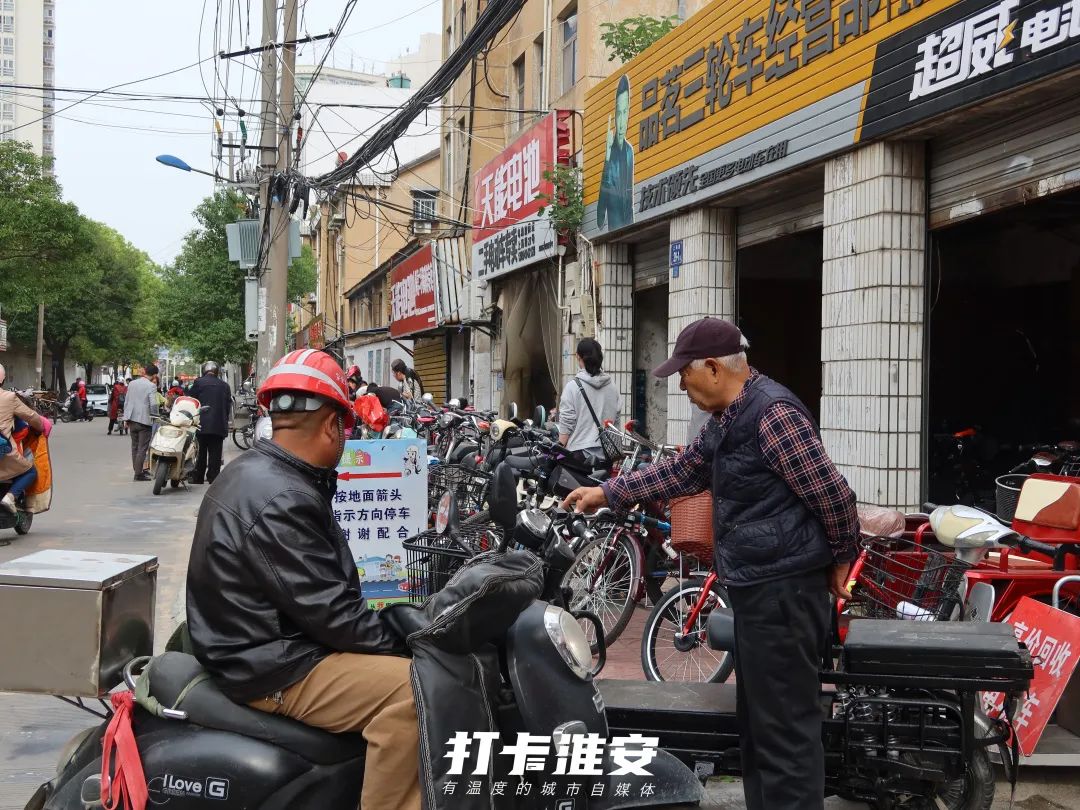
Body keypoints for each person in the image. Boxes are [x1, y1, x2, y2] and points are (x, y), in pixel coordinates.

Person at [563, 317, 859, 810]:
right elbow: (682, 471)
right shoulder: (728, 418)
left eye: (685, 373)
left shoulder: (772, 414)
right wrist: (607, 492)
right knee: (760, 728)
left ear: (715, 368)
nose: (680, 384)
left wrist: (840, 559)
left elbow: (833, 495)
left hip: (784, 591)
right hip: (758, 589)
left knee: (785, 733)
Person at [186, 349, 418, 810]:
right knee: (418, 689)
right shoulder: (282, 496)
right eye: (345, 429)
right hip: (273, 662)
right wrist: (416, 644)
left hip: (262, 645)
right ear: (333, 424)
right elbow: (334, 616)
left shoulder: (258, 472)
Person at [557, 338, 621, 465]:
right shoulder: (612, 387)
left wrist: (559, 448)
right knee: (600, 485)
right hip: (606, 455)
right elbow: (616, 421)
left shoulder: (573, 386)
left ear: (578, 357)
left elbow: (567, 422)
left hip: (579, 453)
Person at [0, 364, 53, 513]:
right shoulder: (9, 397)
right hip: (4, 454)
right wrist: (40, 427)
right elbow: (32, 417)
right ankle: (10, 497)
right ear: (3, 380)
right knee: (30, 471)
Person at [596, 75, 635, 232]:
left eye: (624, 113)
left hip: (629, 230)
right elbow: (599, 219)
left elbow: (630, 200)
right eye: (618, 113)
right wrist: (606, 159)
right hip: (613, 235)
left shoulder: (629, 152)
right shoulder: (609, 155)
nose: (621, 122)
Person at [187, 361, 231, 485]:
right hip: (218, 424)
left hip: (201, 423)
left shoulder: (198, 382)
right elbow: (228, 406)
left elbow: (191, 400)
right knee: (215, 453)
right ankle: (213, 477)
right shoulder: (225, 385)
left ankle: (198, 477)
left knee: (200, 452)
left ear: (204, 370)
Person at [124, 364, 160, 481]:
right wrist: (155, 416)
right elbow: (153, 404)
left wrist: (126, 418)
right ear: (154, 375)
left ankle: (137, 470)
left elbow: (127, 401)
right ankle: (138, 474)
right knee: (142, 448)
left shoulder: (132, 383)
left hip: (131, 419)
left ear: (145, 372)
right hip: (144, 420)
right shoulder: (151, 386)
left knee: (134, 447)